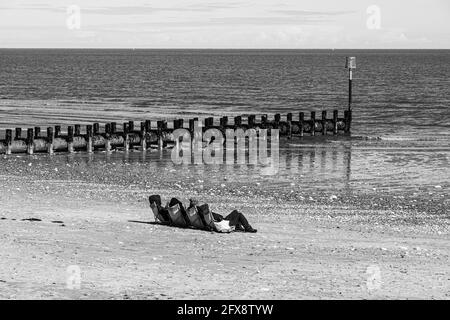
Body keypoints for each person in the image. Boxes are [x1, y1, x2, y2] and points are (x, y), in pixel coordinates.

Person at [189, 198, 257, 233]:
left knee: (235, 212)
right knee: (238, 214)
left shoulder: (196, 214)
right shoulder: (202, 211)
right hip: (222, 224)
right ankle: (248, 228)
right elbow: (217, 219)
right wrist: (220, 218)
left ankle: (238, 226)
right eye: (196, 202)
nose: (198, 203)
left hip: (220, 222)